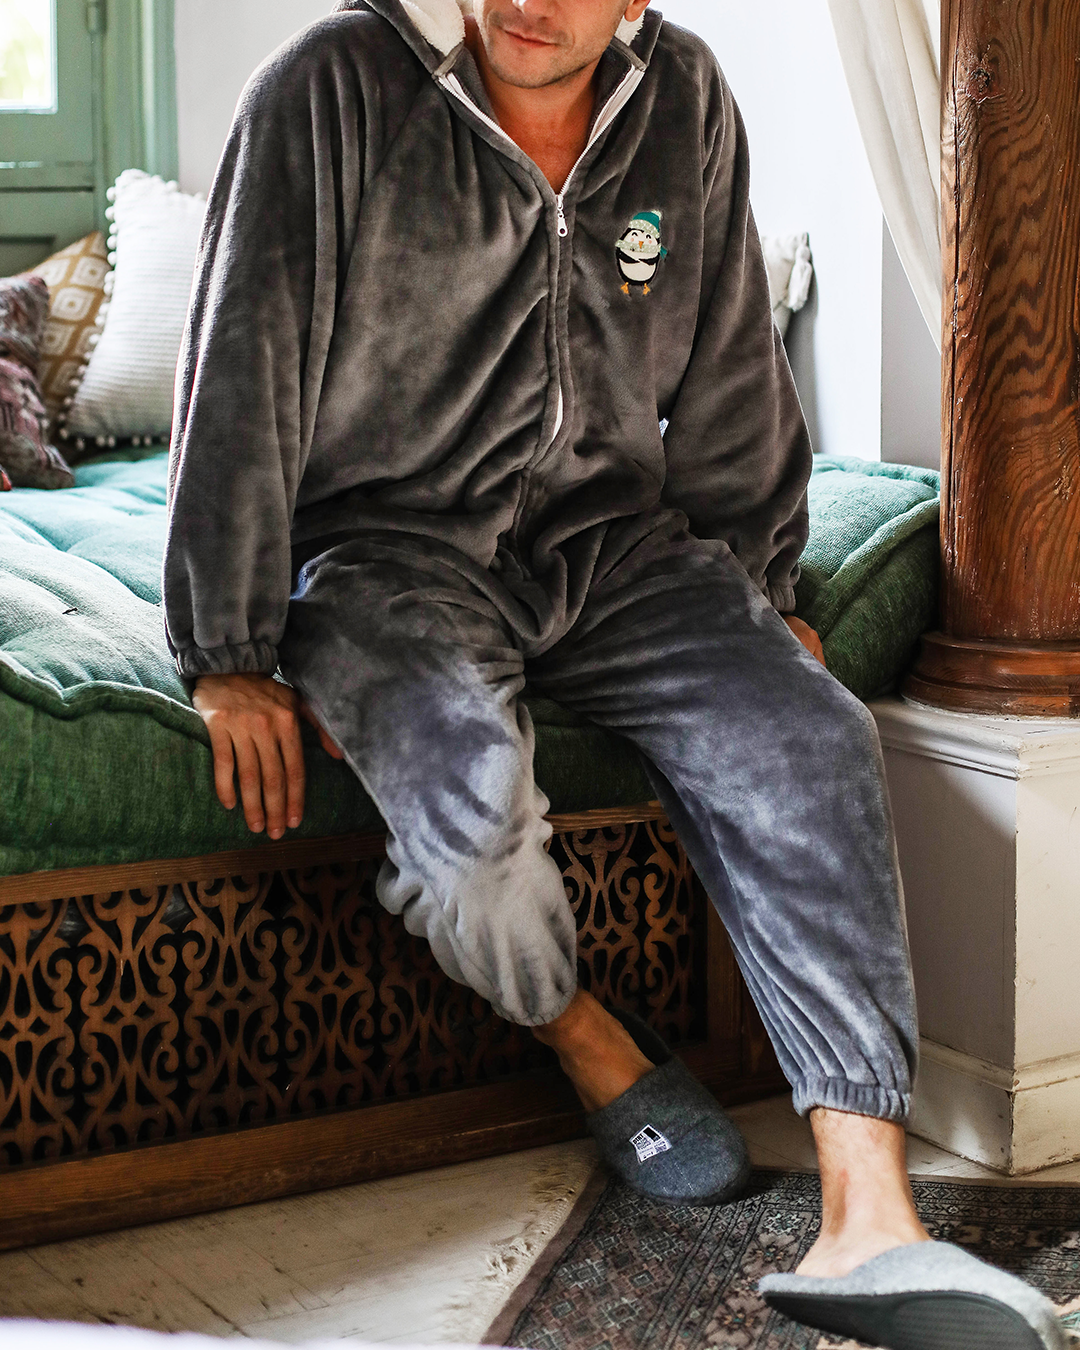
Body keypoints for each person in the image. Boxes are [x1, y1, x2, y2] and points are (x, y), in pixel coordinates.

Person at [163, 0, 1064, 1344]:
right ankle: (587, 1034)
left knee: (813, 732)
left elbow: (735, 372)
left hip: (610, 546)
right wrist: (227, 649)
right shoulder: (332, 86)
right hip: (387, 559)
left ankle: (868, 1218)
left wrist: (763, 591)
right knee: (473, 839)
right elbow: (241, 367)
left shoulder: (683, 98)